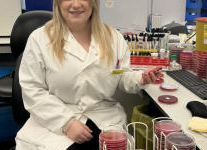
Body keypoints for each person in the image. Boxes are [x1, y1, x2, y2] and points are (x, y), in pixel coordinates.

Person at [15, 0, 161, 149]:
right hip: (55, 117)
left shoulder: (113, 37)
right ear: (58, 2)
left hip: (103, 115)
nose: (76, 4)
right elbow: (32, 89)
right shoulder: (40, 39)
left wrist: (140, 78)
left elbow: (120, 76)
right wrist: (67, 123)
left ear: (94, 3)